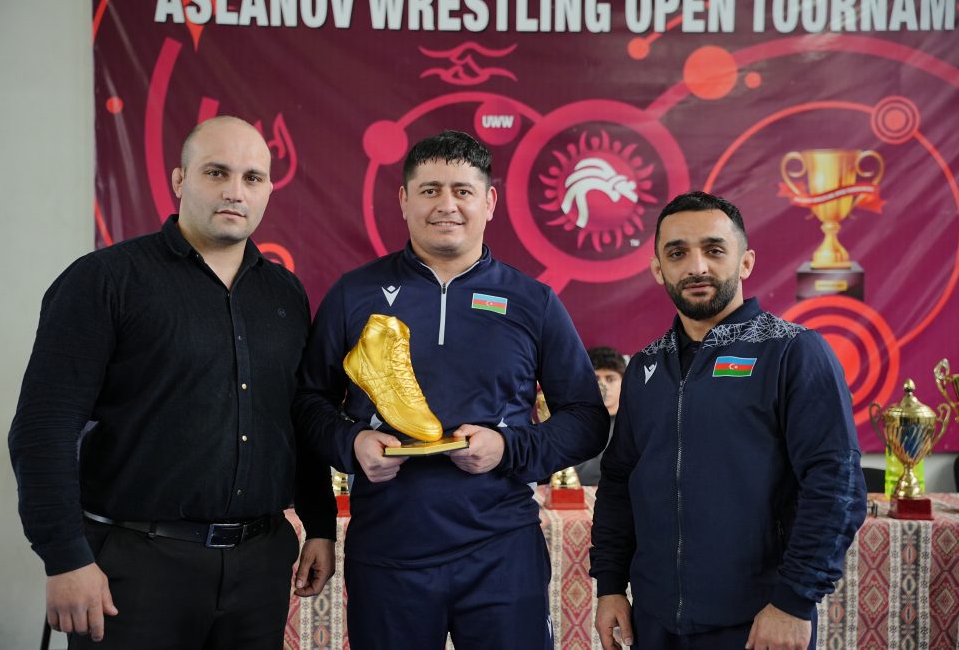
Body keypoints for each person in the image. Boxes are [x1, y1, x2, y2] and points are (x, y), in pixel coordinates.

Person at [8, 116, 336, 648]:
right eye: (216, 172)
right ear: (180, 180)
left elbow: (295, 418)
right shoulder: (103, 281)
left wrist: (320, 523)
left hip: (259, 567)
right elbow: (43, 429)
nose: (235, 192)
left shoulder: (285, 293)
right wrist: (64, 557)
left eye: (252, 177)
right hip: (134, 568)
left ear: (268, 190)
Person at [294, 130, 609, 650]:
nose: (447, 205)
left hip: (502, 552)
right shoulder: (354, 294)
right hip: (388, 552)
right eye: (430, 190)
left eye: (463, 191)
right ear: (404, 200)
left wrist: (507, 448)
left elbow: (586, 419)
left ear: (489, 202)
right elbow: (308, 402)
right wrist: (352, 443)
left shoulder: (533, 301)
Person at [590, 192, 866, 650]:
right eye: (677, 253)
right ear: (658, 269)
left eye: (714, 250)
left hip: (759, 620)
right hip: (653, 620)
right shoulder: (643, 367)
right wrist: (611, 585)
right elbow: (619, 484)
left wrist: (793, 603)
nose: (696, 266)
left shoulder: (793, 352)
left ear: (745, 262)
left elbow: (837, 485)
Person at [575, 346, 626, 485]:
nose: (603, 385)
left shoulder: (635, 423)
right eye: (596, 378)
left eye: (610, 379)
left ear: (624, 382)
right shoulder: (575, 422)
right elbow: (572, 471)